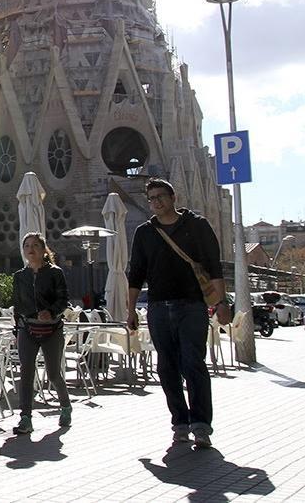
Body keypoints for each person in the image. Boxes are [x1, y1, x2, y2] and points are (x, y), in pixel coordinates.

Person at [126, 178, 223, 448]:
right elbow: (136, 273)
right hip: (158, 307)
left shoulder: (197, 225)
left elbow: (214, 266)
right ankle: (180, 422)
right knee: (166, 368)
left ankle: (201, 425)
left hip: (192, 306)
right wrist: (131, 309)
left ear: (173, 197)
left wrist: (222, 302)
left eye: (161, 196)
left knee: (193, 363)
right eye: (151, 198)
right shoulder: (144, 233)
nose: (156, 202)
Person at [11, 232, 72, 434]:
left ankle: (65, 405)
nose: (30, 249)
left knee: (53, 373)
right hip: (27, 329)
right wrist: (18, 327)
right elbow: (17, 304)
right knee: (26, 373)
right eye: (27, 245)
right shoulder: (19, 276)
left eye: (35, 245)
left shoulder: (55, 273)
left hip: (52, 330)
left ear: (44, 250)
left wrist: (51, 311)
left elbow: (63, 300)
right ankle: (25, 418)